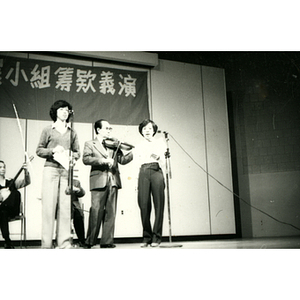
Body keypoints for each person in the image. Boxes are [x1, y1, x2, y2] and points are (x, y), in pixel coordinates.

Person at [36, 100, 80, 249]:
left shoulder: (72, 132)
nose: (65, 112)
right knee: (48, 207)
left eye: (67, 110)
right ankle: (46, 245)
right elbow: (39, 150)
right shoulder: (48, 129)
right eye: (61, 109)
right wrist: (53, 150)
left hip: (65, 171)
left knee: (66, 208)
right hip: (51, 170)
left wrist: (71, 155)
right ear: (55, 112)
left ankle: (64, 244)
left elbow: (78, 152)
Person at [83, 119, 133, 248]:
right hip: (98, 180)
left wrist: (132, 153)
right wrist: (103, 161)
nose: (110, 130)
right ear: (98, 130)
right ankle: (90, 241)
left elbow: (122, 160)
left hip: (113, 181)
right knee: (96, 211)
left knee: (111, 212)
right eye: (107, 128)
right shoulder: (90, 144)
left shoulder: (113, 144)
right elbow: (86, 159)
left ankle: (107, 241)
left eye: (110, 128)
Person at [135, 119, 166, 247]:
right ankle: (146, 237)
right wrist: (135, 182)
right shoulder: (138, 145)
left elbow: (165, 162)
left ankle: (156, 237)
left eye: (149, 128)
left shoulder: (160, 142)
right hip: (143, 171)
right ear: (141, 131)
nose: (147, 131)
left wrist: (159, 158)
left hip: (156, 170)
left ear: (154, 130)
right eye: (144, 129)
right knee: (143, 204)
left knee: (159, 204)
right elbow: (136, 164)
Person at [0, 160, 31, 249]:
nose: (2, 169)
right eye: (0, 167)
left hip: (12, 210)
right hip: (3, 212)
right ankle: (7, 241)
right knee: (2, 212)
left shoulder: (11, 181)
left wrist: (26, 171)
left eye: (3, 167)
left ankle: (7, 241)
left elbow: (26, 182)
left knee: (16, 193)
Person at [68, 179, 86, 247]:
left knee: (78, 216)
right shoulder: (58, 181)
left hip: (74, 205)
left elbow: (82, 193)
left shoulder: (75, 182)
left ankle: (82, 240)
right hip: (62, 205)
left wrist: (77, 189)